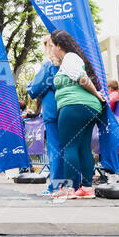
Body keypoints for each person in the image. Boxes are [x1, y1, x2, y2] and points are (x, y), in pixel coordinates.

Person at [49, 29, 105, 200]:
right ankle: (87, 188)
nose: (51, 49)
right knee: (82, 148)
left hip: (74, 106)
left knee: (69, 147)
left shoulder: (70, 58)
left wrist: (97, 94)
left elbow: (81, 78)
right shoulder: (74, 58)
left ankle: (69, 188)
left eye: (52, 45)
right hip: (88, 108)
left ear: (58, 46)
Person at [27, 34, 63, 195]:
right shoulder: (67, 63)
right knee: (70, 148)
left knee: (54, 148)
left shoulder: (48, 65)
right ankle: (72, 185)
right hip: (67, 109)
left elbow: (34, 89)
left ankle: (56, 186)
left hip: (51, 111)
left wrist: (30, 86)